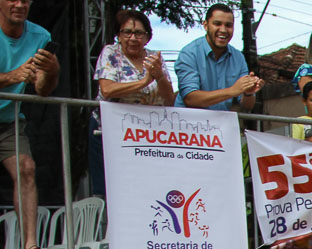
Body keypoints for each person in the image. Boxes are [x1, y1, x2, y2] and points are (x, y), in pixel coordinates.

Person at [0, 0, 60, 249]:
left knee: (27, 167)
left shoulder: (40, 36)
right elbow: (15, 76)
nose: (19, 4)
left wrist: (51, 72)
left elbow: (42, 90)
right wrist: (11, 76)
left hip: (9, 120)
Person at [89, 9, 174, 196]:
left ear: (147, 37)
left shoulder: (154, 58)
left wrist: (159, 77)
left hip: (145, 136)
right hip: (109, 132)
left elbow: (169, 99)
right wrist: (143, 82)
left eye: (139, 33)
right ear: (119, 36)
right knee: (108, 189)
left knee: (144, 189)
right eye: (127, 32)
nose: (133, 38)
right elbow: (107, 89)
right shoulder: (111, 52)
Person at [174, 3, 263, 111]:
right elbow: (190, 99)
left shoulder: (238, 57)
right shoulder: (189, 53)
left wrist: (248, 93)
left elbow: (246, 106)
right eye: (217, 24)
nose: (223, 30)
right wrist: (232, 91)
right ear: (205, 25)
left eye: (228, 25)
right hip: (189, 124)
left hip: (220, 125)